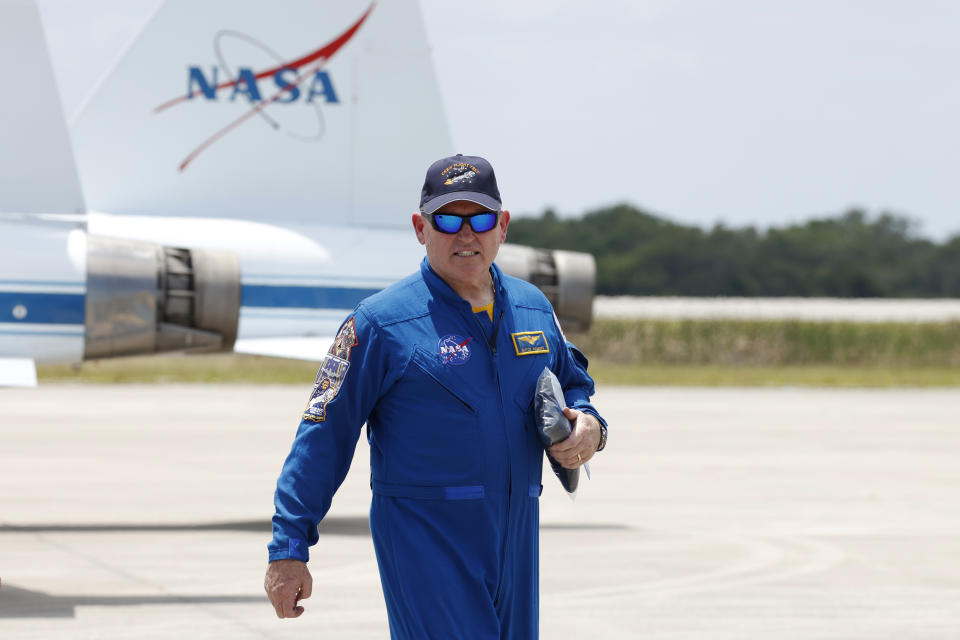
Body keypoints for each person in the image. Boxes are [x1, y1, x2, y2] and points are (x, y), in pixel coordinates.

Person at [264, 153, 608, 639]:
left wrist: (591, 427)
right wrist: (288, 548)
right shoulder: (381, 323)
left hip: (516, 538)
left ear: (502, 226)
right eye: (447, 219)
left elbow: (573, 384)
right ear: (420, 228)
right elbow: (323, 436)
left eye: (480, 219)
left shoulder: (534, 309)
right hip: (426, 543)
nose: (465, 234)